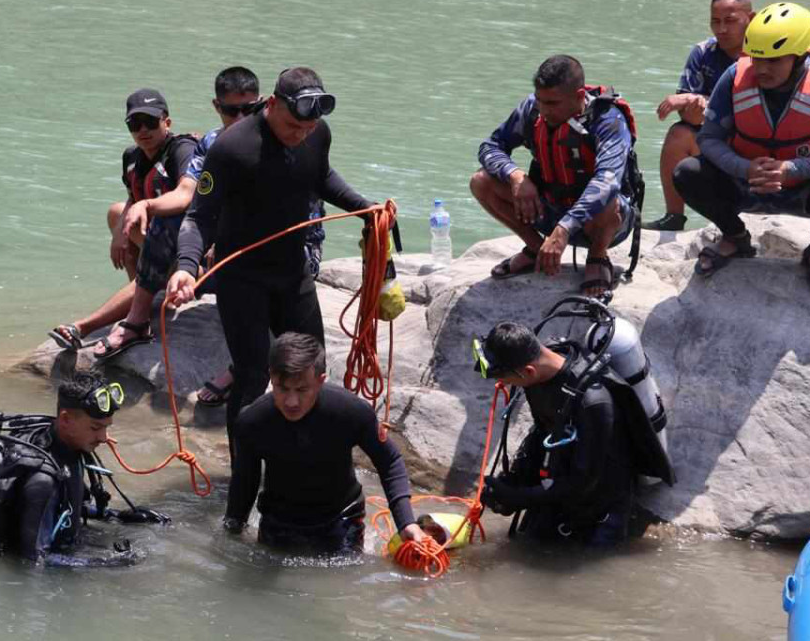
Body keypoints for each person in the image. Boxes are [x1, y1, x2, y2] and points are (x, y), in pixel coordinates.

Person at [166, 67, 379, 453]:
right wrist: (185, 266)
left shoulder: (316, 133)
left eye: (308, 130)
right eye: (293, 127)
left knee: (312, 366)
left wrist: (364, 209)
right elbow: (199, 216)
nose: (301, 136)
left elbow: (321, 175)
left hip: (290, 270)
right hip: (242, 276)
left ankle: (309, 453)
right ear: (274, 104)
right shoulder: (232, 147)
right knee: (252, 375)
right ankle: (243, 470)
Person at [673, 2, 810, 291]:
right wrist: (744, 168)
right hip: (745, 184)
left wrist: (793, 169)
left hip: (806, 188)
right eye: (757, 58)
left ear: (800, 56)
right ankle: (735, 237)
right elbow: (709, 138)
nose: (762, 68)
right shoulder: (734, 77)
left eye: (774, 60)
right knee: (687, 172)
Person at [222, 333, 427, 552]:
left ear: (320, 381)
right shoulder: (252, 422)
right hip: (278, 522)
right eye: (282, 388)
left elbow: (389, 460)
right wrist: (231, 533)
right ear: (271, 377)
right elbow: (245, 482)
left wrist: (407, 522)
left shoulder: (351, 412)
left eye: (301, 390)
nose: (291, 401)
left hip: (341, 519)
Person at [475, 322, 671, 546]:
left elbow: (584, 482)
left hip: (598, 505)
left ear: (528, 371)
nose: (501, 385)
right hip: (562, 477)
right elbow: (542, 429)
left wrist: (521, 498)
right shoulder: (539, 372)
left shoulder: (593, 403)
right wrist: (513, 482)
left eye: (505, 379)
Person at [470, 55, 642, 297]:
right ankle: (536, 249)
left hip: (602, 221)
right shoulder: (532, 109)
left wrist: (563, 229)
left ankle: (598, 256)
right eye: (540, 100)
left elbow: (608, 181)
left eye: (552, 103)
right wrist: (516, 175)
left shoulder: (608, 120)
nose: (543, 109)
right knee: (481, 182)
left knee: (607, 198)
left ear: (580, 96)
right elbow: (490, 146)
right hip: (550, 206)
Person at [49, 89, 198, 356]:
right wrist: (120, 232)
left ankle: (83, 328)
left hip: (187, 246)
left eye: (150, 122)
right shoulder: (132, 156)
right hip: (157, 239)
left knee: (148, 229)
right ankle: (145, 295)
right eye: (134, 124)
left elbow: (184, 197)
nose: (143, 130)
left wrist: (144, 206)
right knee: (116, 213)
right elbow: (132, 197)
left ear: (167, 122)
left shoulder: (181, 150)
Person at [0, 374, 146, 566]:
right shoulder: (42, 482)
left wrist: (116, 516)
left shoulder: (67, 445)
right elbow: (34, 560)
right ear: (66, 420)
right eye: (95, 428)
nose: (103, 437)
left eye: (107, 427)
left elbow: (65, 507)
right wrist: (104, 563)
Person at [646, 0, 754, 232]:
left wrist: (702, 102)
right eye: (715, 22)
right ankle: (674, 217)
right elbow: (687, 110)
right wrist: (692, 110)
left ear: (752, 18)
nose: (721, 29)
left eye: (730, 21)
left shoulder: (765, 55)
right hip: (717, 138)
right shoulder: (703, 52)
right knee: (678, 134)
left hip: (755, 143)